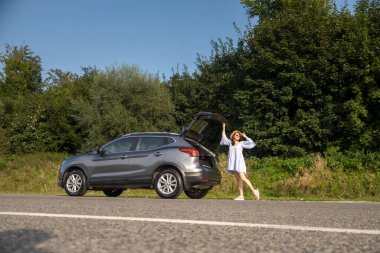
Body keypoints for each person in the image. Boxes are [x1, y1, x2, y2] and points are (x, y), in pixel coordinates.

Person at [220, 123, 260, 200]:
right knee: (238, 179)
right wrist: (224, 127)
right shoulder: (230, 143)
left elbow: (251, 143)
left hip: (239, 163)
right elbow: (224, 137)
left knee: (243, 177)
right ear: (233, 136)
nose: (238, 136)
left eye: (239, 135)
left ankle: (254, 191)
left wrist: (245, 136)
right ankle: (241, 196)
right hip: (233, 164)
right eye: (236, 135)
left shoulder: (241, 143)